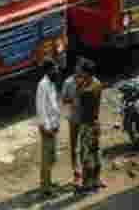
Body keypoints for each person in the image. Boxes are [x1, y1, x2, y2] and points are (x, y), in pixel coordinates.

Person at [75, 58, 104, 192]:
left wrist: (79, 84)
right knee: (96, 152)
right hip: (96, 122)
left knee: (86, 155)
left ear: (86, 73)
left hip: (87, 124)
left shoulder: (86, 90)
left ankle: (87, 183)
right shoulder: (98, 84)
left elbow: (79, 99)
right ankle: (97, 180)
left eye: (82, 71)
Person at [35, 58, 62, 195]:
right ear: (48, 70)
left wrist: (56, 123)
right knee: (46, 158)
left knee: (52, 157)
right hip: (47, 128)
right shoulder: (42, 85)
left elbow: (53, 105)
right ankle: (45, 188)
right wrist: (46, 127)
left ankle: (48, 182)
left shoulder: (51, 83)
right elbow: (41, 109)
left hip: (53, 126)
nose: (56, 70)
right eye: (54, 68)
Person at [60, 66, 82, 184]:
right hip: (73, 118)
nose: (80, 76)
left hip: (85, 118)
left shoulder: (87, 79)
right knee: (74, 146)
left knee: (85, 145)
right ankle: (76, 172)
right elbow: (63, 100)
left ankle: (86, 172)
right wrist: (73, 101)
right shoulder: (68, 83)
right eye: (78, 73)